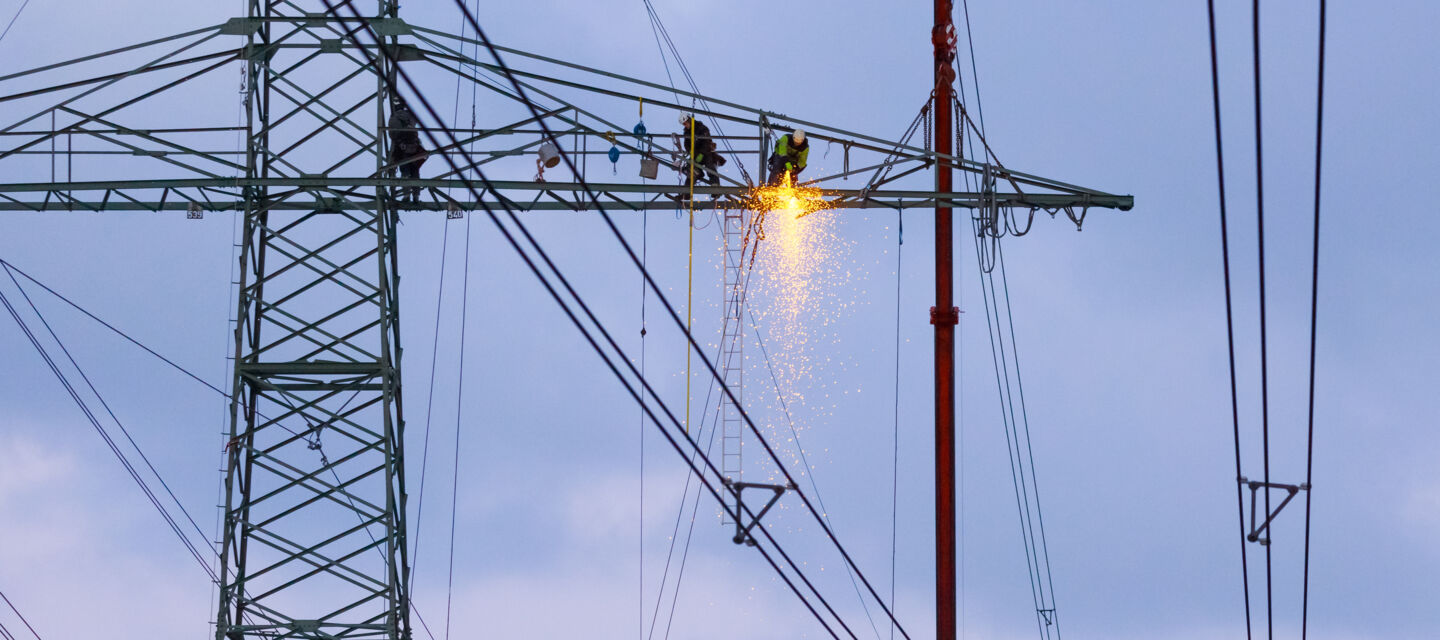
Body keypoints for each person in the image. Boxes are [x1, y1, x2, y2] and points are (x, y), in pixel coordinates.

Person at [388, 100, 428, 203]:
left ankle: (406, 195)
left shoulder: (394, 118)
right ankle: (416, 196)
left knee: (405, 171)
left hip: (403, 148)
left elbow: (393, 134)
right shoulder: (411, 116)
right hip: (414, 147)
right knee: (415, 171)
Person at [678, 114, 722, 187]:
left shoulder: (702, 128)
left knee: (710, 167)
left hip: (706, 152)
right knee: (691, 169)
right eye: (683, 124)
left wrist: (701, 153)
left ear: (689, 120)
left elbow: (706, 142)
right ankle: (687, 190)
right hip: (696, 154)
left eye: (685, 123)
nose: (685, 125)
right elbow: (686, 145)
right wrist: (691, 152)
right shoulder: (687, 132)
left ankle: (715, 185)